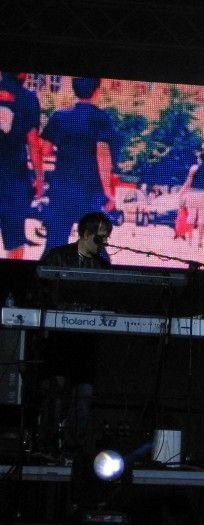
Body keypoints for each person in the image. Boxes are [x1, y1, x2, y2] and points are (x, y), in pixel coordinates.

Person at [32, 211, 113, 457]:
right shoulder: (57, 257)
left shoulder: (103, 265)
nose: (104, 243)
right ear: (86, 234)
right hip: (58, 339)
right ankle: (46, 446)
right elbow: (39, 293)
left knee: (84, 394)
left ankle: (73, 449)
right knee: (55, 393)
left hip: (85, 340)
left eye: (106, 238)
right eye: (100, 238)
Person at [40, 77, 120, 257]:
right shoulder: (101, 118)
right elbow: (102, 154)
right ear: (97, 91)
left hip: (61, 189)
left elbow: (45, 150)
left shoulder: (59, 116)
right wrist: (108, 192)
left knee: (54, 243)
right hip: (89, 191)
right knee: (94, 245)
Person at [0, 71, 44, 259]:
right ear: (23, 74)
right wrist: (39, 178)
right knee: (15, 242)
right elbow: (33, 143)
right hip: (14, 179)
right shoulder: (28, 99)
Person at [180, 150, 204, 248]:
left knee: (191, 217)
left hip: (193, 194)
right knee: (202, 219)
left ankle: (190, 240)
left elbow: (188, 183)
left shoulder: (194, 168)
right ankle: (200, 241)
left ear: (200, 159)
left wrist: (181, 193)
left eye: (198, 158)